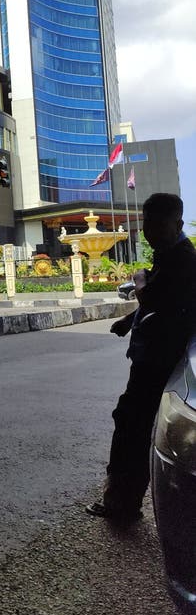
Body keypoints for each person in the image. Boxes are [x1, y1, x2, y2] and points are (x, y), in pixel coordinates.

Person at [86, 193, 196, 522]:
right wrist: (127, 320)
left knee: (132, 425)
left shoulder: (182, 259)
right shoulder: (171, 254)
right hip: (157, 355)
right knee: (132, 421)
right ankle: (125, 498)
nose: (148, 230)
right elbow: (160, 304)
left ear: (176, 223)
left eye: (156, 223)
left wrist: (139, 281)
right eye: (146, 222)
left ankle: (122, 502)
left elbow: (157, 299)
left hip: (161, 359)